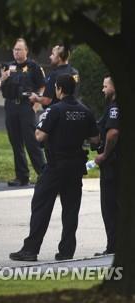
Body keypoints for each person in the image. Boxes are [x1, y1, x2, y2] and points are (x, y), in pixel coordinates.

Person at [9, 74, 99, 261]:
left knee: (41, 205)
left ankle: (31, 250)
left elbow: (40, 136)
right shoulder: (86, 111)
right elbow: (95, 140)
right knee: (71, 209)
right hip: (76, 166)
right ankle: (66, 251)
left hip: (56, 165)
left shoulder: (55, 110)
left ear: (58, 89)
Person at [0, 38, 46, 187]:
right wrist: (3, 77)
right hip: (11, 106)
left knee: (32, 142)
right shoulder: (8, 66)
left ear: (26, 51)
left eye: (19, 49)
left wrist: (36, 104)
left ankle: (43, 174)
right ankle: (21, 176)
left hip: (27, 106)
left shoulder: (34, 66)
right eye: (14, 49)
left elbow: (42, 86)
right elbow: (1, 85)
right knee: (16, 143)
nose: (16, 52)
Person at [94, 75, 120, 256]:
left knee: (110, 207)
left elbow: (113, 133)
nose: (103, 90)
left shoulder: (115, 107)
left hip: (113, 165)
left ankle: (113, 247)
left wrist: (104, 154)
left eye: (105, 86)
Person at [30, 44, 79, 108]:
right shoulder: (75, 72)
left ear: (59, 58)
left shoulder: (55, 74)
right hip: (71, 111)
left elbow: (46, 100)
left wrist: (35, 98)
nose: (50, 57)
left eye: (53, 54)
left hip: (56, 113)